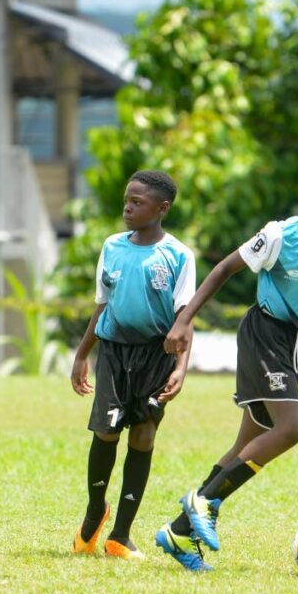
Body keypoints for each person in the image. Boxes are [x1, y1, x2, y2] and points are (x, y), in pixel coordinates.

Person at [155, 171, 298, 572]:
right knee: (290, 429)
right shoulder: (281, 235)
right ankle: (204, 502)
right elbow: (224, 269)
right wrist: (185, 320)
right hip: (265, 332)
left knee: (249, 442)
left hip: (293, 344)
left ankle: (178, 532)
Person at [70, 170, 196, 561]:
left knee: (143, 436)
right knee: (106, 433)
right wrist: (81, 354)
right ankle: (95, 512)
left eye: (137, 202)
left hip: (155, 357)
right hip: (114, 352)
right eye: (127, 199)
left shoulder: (177, 255)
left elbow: (184, 320)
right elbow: (102, 304)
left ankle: (120, 535)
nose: (127, 207)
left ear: (162, 209)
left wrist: (180, 368)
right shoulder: (112, 247)